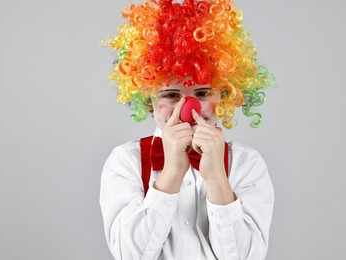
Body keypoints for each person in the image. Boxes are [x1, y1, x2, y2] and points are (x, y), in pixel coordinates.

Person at [100, 0, 275, 259]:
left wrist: (217, 180)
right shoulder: (126, 161)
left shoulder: (245, 163)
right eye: (171, 94)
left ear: (224, 94)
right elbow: (130, 255)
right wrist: (171, 173)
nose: (187, 107)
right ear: (149, 101)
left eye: (202, 92)